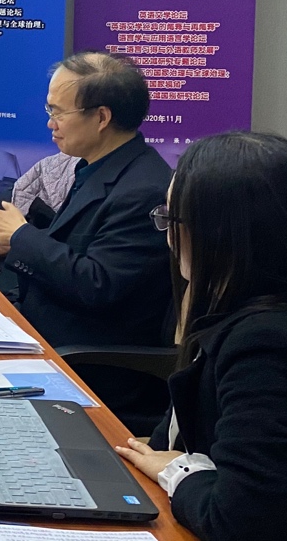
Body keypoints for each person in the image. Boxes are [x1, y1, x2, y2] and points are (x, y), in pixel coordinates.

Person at [0, 52, 173, 431]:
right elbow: (78, 250)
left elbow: (97, 284)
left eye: (58, 112)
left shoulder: (144, 189)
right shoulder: (96, 167)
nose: (50, 123)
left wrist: (21, 236)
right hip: (47, 325)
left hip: (92, 365)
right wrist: (13, 244)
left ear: (101, 117)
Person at [115, 132, 287, 541]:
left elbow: (241, 517)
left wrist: (180, 471)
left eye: (172, 220)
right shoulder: (233, 311)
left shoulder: (264, 343)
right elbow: (169, 442)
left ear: (220, 232)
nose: (168, 237)